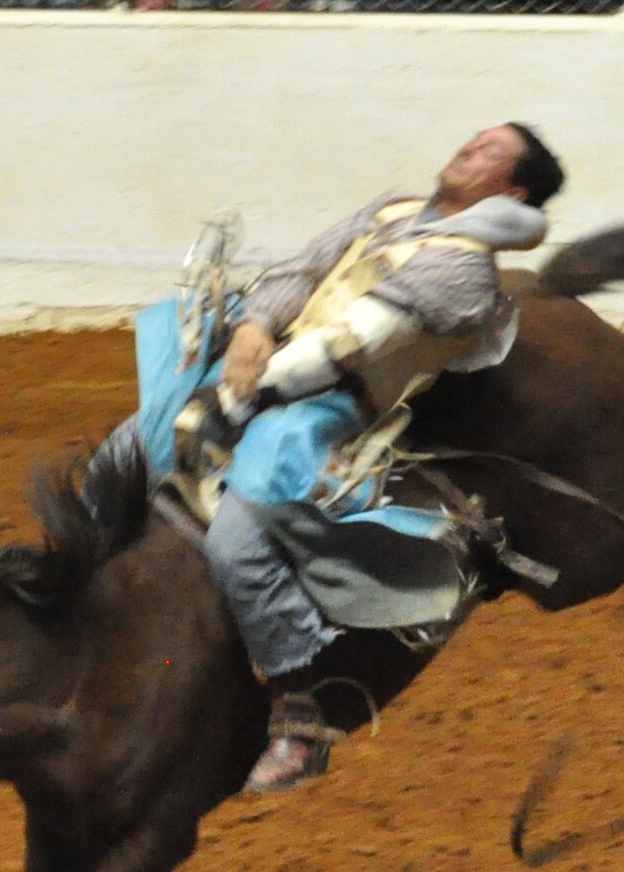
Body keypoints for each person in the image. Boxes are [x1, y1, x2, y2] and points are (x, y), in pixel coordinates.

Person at [93, 123, 565, 794]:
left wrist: (245, 385)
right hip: (262, 365)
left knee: (239, 542)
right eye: (475, 137)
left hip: (326, 407)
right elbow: (303, 270)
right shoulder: (394, 210)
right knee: (122, 452)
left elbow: (355, 343)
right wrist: (255, 327)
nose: (469, 147)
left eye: (491, 150)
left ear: (512, 188)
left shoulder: (463, 267)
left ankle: (303, 714)